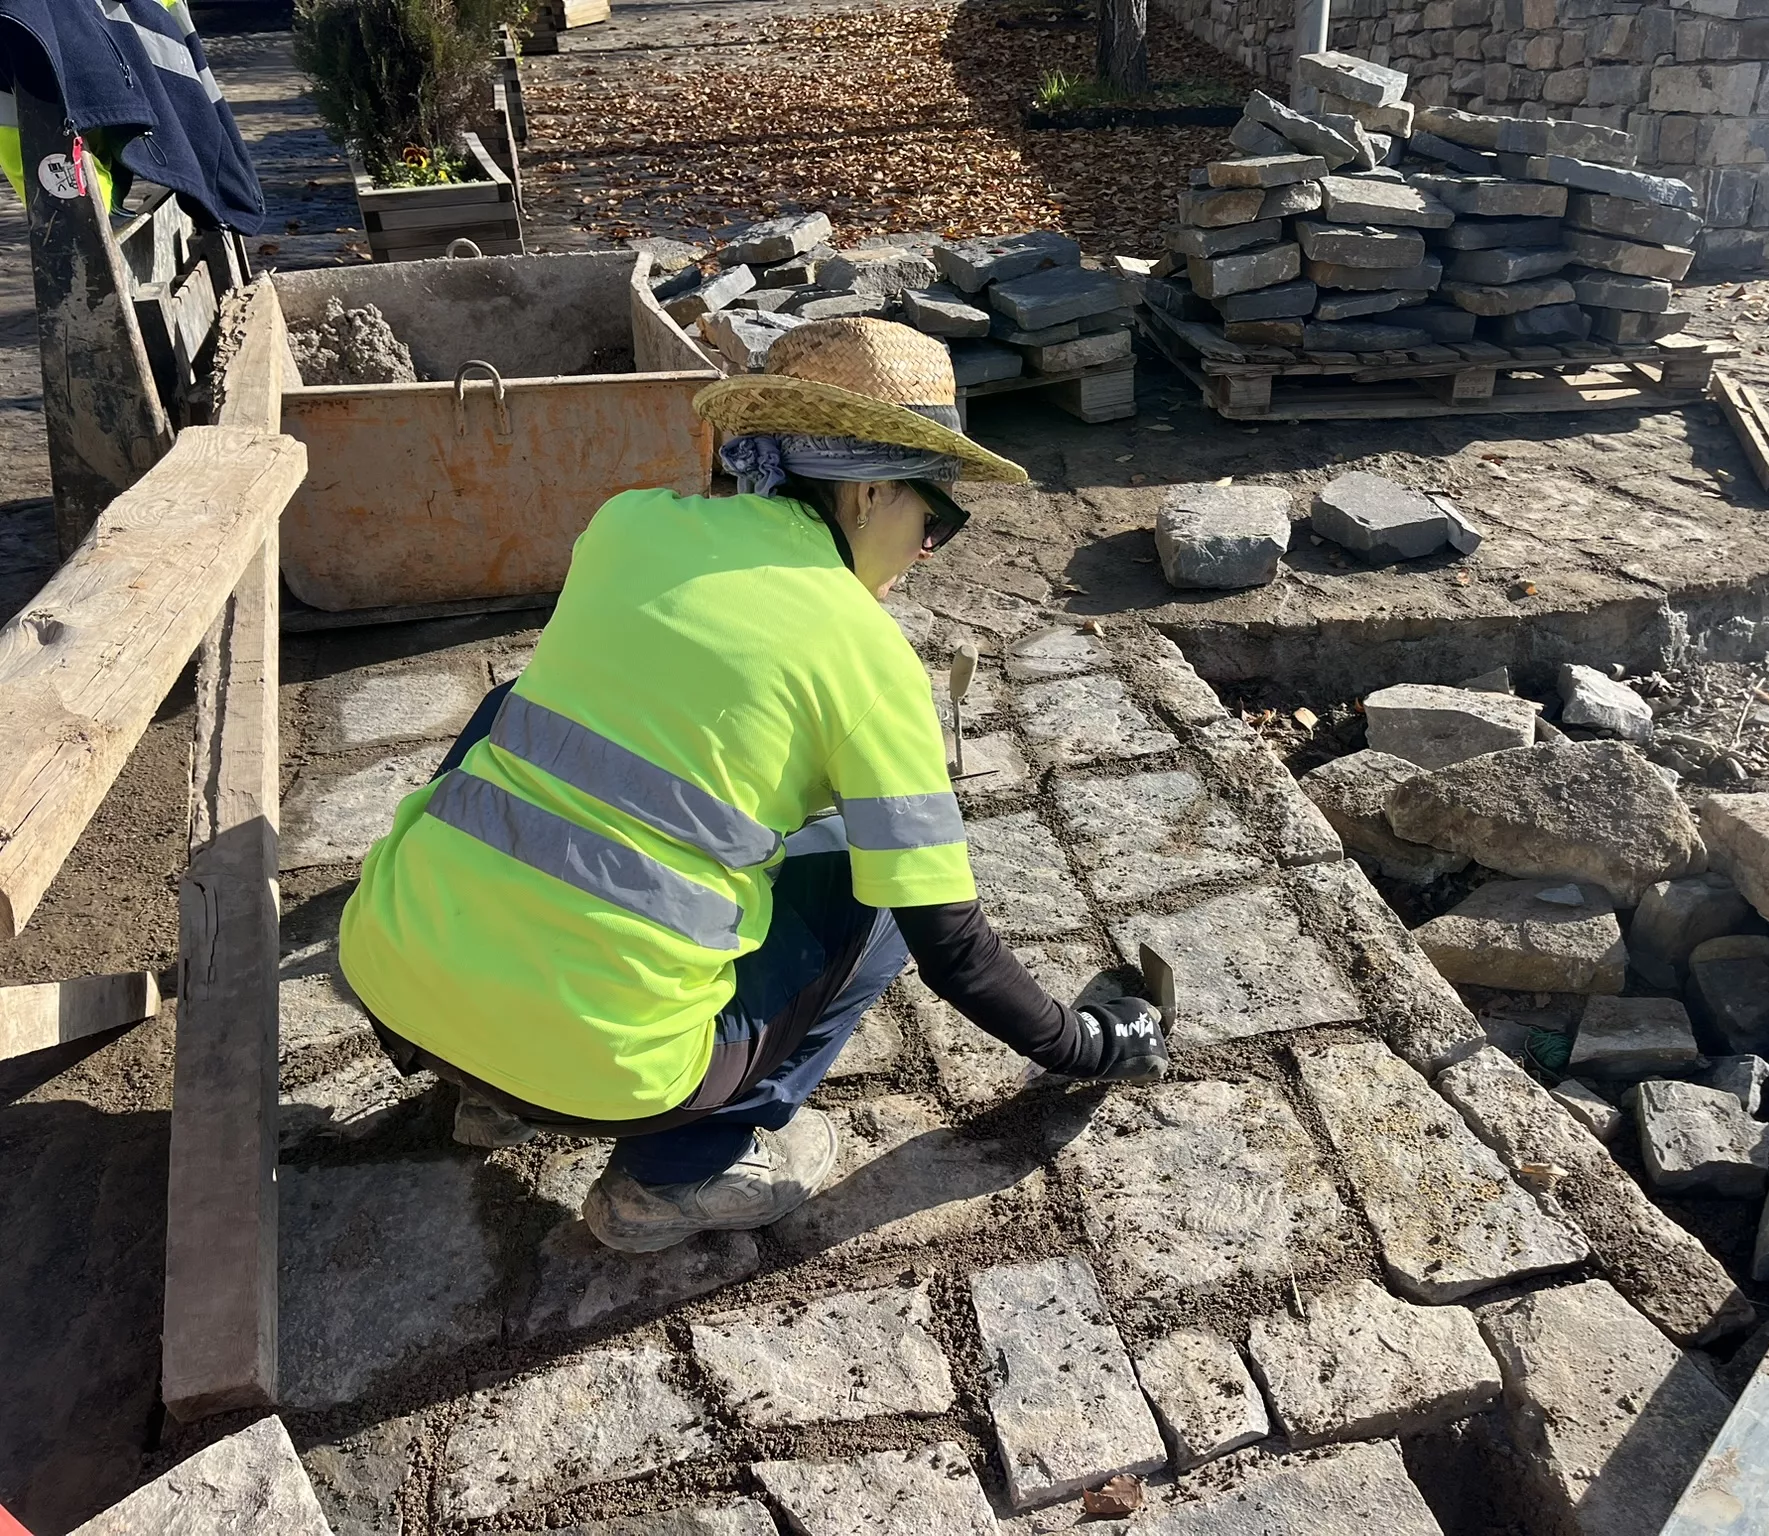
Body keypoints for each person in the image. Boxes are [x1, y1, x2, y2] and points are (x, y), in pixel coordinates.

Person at [338, 317, 1169, 1254]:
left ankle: (486, 1093)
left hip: (393, 978)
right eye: (935, 519)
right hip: (608, 1072)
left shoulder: (626, 524)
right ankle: (678, 1174)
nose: (928, 550)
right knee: (881, 888)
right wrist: (1091, 1043)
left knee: (510, 709)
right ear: (872, 492)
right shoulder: (866, 656)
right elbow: (953, 948)